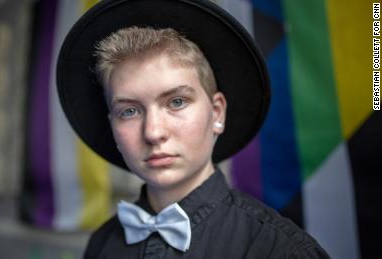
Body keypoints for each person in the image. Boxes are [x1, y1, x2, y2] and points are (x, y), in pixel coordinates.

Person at [57, 0, 330, 258]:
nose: (153, 132)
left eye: (176, 102)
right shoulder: (102, 244)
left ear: (217, 113)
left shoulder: (280, 250)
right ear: (112, 126)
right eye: (129, 111)